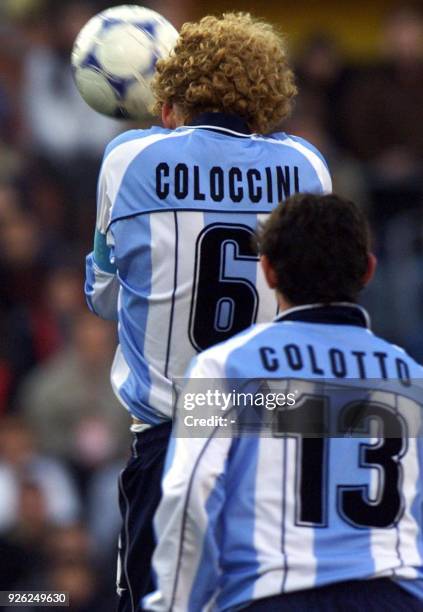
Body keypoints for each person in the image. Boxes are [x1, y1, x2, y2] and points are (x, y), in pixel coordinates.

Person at [84, 13, 332, 611]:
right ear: (268, 97)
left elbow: (102, 295)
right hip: (273, 441)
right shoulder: (307, 166)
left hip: (171, 445)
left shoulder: (128, 159)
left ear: (173, 96)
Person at [145, 193, 423, 612]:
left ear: (268, 270)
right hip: (393, 597)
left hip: (273, 595)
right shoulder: (414, 378)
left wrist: (172, 606)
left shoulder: (219, 367)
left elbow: (190, 492)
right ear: (368, 270)